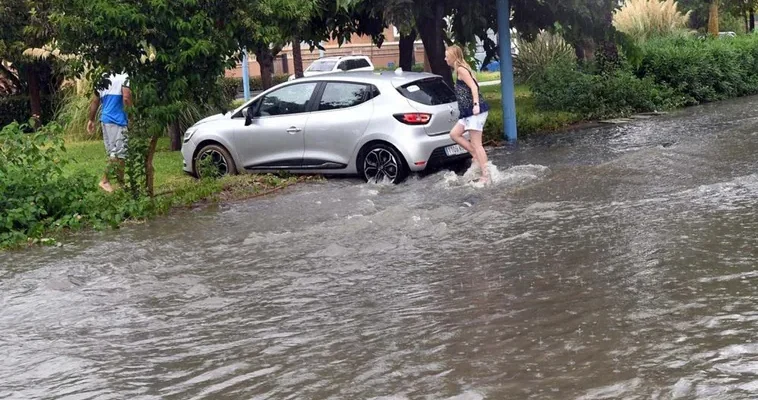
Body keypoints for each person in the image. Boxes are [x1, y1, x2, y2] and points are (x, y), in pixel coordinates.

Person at [445, 45, 491, 184]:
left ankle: (486, 175)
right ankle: (476, 156)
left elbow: (474, 86)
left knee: (477, 144)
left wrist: (476, 105)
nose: (445, 58)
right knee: (454, 134)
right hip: (466, 113)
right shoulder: (460, 69)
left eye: (447, 56)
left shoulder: (461, 70)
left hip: (474, 112)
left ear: (453, 56)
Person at [87, 73, 132, 192]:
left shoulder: (102, 78)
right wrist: (132, 115)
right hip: (117, 120)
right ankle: (105, 180)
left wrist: (91, 120)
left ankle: (121, 183)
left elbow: (95, 101)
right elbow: (126, 97)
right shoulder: (124, 77)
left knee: (119, 155)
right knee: (117, 153)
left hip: (105, 120)